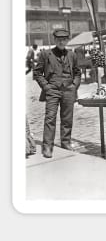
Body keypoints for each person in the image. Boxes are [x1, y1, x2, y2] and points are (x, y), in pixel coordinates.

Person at [33, 29, 81, 158]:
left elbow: (77, 72)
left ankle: (66, 143)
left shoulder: (72, 55)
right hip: (52, 90)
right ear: (55, 40)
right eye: (59, 39)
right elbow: (37, 73)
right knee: (50, 118)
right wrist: (46, 87)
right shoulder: (46, 54)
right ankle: (47, 147)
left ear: (67, 40)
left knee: (67, 119)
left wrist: (74, 86)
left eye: (64, 39)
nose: (61, 42)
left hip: (68, 90)